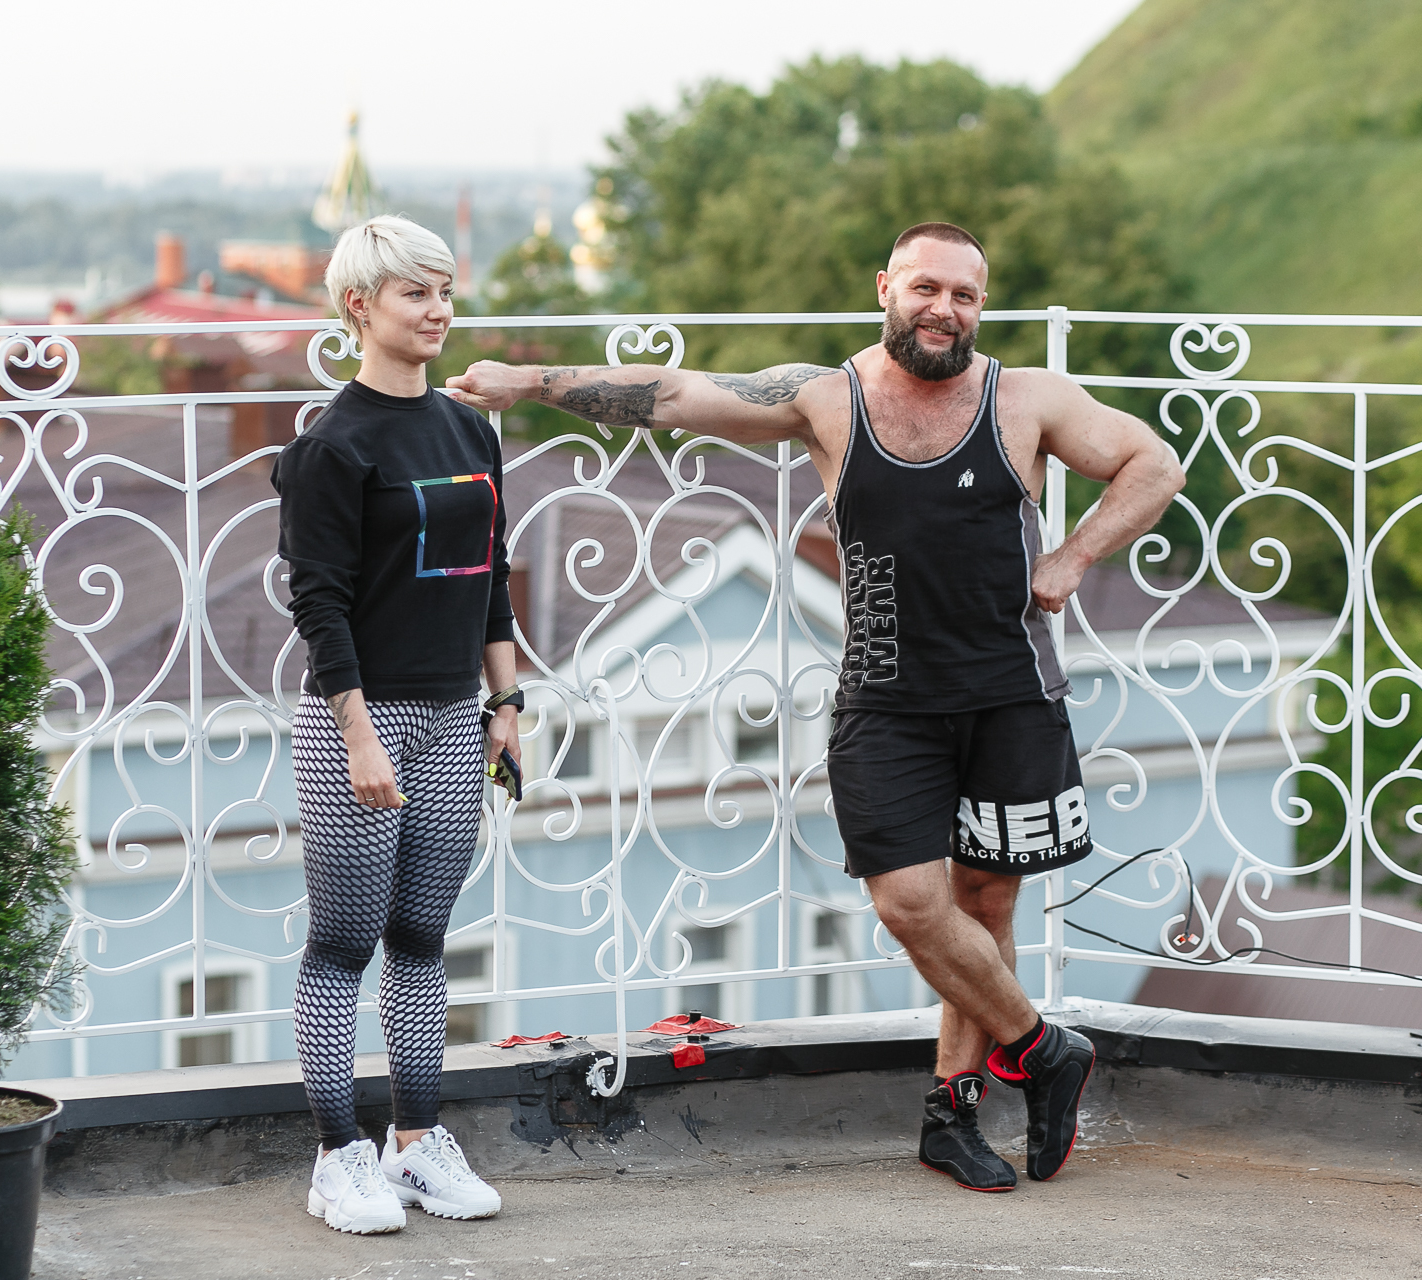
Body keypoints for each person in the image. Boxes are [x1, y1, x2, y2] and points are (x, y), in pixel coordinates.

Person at [446, 221, 1184, 1192]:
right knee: (910, 901)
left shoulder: (1028, 399)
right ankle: (1046, 1051)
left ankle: (953, 1115)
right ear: (886, 288)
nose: (944, 310)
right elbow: (675, 395)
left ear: (981, 305)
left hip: (1012, 691)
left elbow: (1155, 463)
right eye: (926, 288)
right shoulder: (824, 398)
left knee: (986, 903)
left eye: (964, 295)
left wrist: (1073, 557)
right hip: (886, 698)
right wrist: (531, 382)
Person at [274, 214, 518, 1232]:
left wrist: (506, 703)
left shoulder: (469, 430)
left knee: (421, 937)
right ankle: (339, 1157)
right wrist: (360, 734)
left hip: (455, 715)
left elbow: (492, 576)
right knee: (343, 943)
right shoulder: (331, 446)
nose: (438, 310)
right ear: (359, 305)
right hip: (360, 723)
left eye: (445, 290)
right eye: (416, 292)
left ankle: (415, 1146)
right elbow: (319, 604)